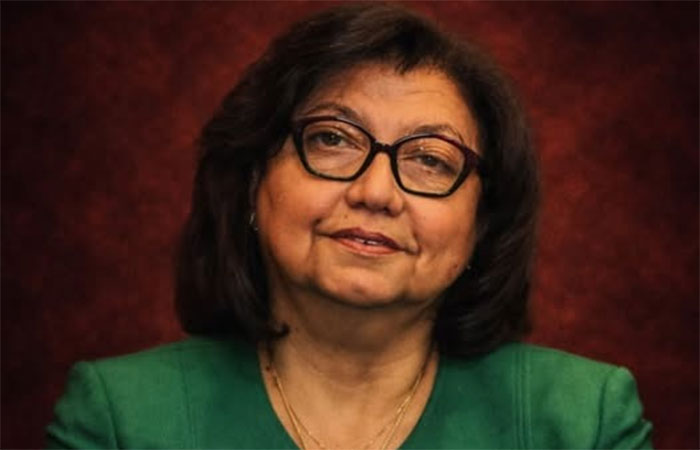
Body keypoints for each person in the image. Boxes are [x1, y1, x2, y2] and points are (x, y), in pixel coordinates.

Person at [46, 4, 652, 449]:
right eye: (333, 140)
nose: (376, 193)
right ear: (252, 179)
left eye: (430, 159)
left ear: (482, 223)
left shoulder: (584, 421)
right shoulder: (121, 416)